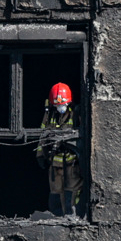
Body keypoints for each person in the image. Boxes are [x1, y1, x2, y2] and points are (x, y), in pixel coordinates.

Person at [36, 82, 82, 216]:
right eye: (57, 105)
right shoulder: (50, 115)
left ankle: (73, 220)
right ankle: (57, 221)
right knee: (56, 197)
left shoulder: (76, 114)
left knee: (72, 196)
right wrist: (40, 155)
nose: (60, 107)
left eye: (62, 104)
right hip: (55, 165)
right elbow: (42, 135)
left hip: (72, 163)